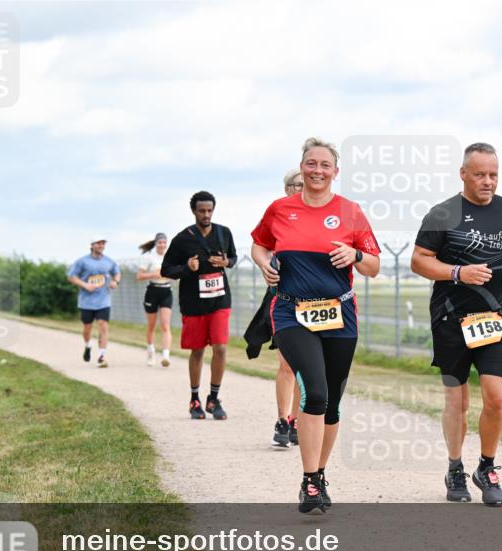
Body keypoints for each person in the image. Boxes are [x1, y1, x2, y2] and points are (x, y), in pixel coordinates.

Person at [251, 137, 380, 513]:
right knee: (317, 393)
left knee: (333, 404)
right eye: (311, 163)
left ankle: (320, 473)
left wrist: (355, 254)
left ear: (335, 172)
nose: (318, 171)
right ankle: (309, 481)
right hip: (291, 313)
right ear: (302, 167)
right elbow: (259, 244)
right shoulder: (280, 209)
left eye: (325, 165)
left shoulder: (351, 212)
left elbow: (373, 265)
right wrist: (264, 264)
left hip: (340, 314)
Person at [410, 142, 502, 507]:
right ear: (463, 174)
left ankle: (487, 467)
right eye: (480, 175)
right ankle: (455, 467)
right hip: (450, 319)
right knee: (457, 401)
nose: (487, 181)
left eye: (493, 174)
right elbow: (419, 261)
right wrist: (458, 272)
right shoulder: (442, 214)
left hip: (493, 320)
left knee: (497, 399)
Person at [161, 191, 237, 420]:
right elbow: (166, 270)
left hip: (220, 300)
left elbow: (232, 258)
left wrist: (225, 262)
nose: (206, 214)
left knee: (221, 347)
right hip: (194, 303)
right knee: (197, 351)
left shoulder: (224, 233)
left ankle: (213, 399)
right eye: (202, 210)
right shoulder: (183, 239)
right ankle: (195, 398)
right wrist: (187, 268)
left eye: (210, 210)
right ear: (194, 211)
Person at [270, 169, 305, 447]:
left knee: (305, 366)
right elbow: (262, 247)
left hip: (317, 303)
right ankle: (282, 419)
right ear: (286, 189)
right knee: (287, 364)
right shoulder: (278, 216)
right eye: (296, 185)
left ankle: (295, 419)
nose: (300, 189)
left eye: (304, 185)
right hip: (283, 298)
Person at [67, 238, 121, 368]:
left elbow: (117, 273)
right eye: (98, 243)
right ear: (92, 245)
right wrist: (85, 285)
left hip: (103, 300)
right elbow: (71, 276)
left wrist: (115, 282)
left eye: (103, 243)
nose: (101, 245)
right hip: (86, 302)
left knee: (103, 325)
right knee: (87, 329)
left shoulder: (109, 261)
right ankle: (88, 345)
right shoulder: (82, 261)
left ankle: (102, 356)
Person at [136, 233, 173, 367]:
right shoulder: (148, 257)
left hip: (166, 291)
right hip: (152, 291)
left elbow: (175, 275)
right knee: (151, 325)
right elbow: (139, 276)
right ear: (156, 243)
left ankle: (166, 356)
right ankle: (150, 352)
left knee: (165, 324)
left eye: (164, 242)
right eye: (160, 243)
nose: (162, 245)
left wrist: (173, 274)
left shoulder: (171, 256)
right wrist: (155, 274)